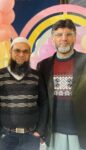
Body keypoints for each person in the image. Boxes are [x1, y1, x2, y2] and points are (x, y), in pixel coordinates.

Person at [0, 37, 48, 150]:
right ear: (10, 52)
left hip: (31, 137)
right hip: (4, 137)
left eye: (25, 51)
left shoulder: (37, 76)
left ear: (29, 54)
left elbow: (44, 103)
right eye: (17, 50)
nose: (21, 54)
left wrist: (40, 131)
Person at [37, 19, 86, 150]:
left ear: (75, 37)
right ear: (53, 38)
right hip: (52, 132)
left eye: (69, 34)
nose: (64, 39)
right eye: (59, 35)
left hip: (80, 134)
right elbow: (40, 100)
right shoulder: (43, 66)